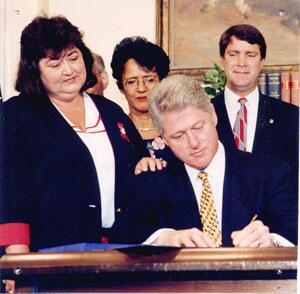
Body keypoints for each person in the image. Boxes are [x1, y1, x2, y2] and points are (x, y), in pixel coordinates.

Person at [0, 16, 150, 256]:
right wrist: (17, 261)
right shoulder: (18, 115)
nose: (68, 70)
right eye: (54, 64)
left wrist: (144, 163)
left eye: (73, 58)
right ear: (34, 69)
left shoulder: (111, 111)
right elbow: (10, 192)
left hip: (121, 250)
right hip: (50, 253)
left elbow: (141, 164)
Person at [111, 75, 298, 248]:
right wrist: (166, 238)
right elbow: (124, 232)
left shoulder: (269, 172)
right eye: (178, 135)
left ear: (213, 115)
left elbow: (292, 227)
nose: (193, 143)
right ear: (164, 139)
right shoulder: (151, 181)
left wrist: (271, 242)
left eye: (198, 127)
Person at [211, 24, 299, 187]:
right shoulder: (202, 114)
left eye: (250, 55)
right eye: (233, 54)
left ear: (262, 62)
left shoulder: (292, 117)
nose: (241, 63)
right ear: (222, 60)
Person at [111, 36, 174, 162]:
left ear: (162, 82)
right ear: (121, 87)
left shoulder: (178, 128)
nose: (141, 88)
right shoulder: (114, 134)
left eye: (149, 80)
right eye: (132, 81)